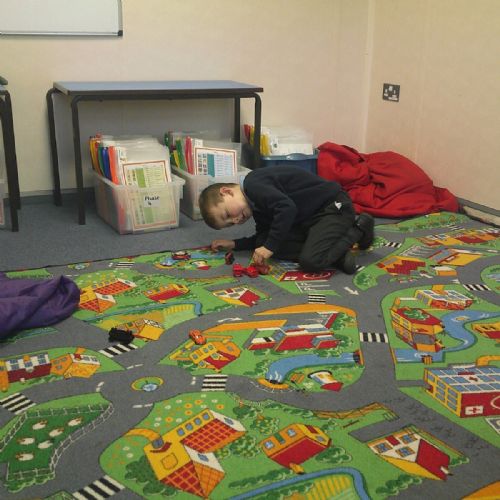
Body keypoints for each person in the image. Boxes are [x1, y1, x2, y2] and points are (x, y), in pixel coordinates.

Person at [198, 165, 374, 274]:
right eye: (230, 223)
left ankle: (358, 229)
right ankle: (336, 254)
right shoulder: (254, 205)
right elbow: (266, 234)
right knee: (263, 240)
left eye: (228, 214)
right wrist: (235, 244)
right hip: (307, 219)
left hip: (333, 208)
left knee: (309, 262)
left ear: (227, 191)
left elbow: (287, 208)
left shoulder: (253, 184)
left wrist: (269, 247)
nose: (236, 220)